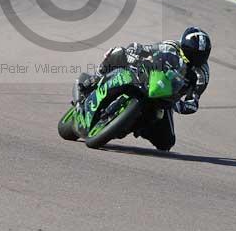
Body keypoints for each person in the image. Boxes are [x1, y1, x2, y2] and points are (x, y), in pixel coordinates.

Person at [78, 26, 212, 151]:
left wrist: (180, 105)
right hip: (149, 79)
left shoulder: (203, 74)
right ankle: (93, 80)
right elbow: (144, 49)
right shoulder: (170, 46)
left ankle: (140, 127)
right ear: (183, 45)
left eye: (201, 56)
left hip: (167, 98)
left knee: (166, 143)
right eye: (192, 52)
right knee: (118, 52)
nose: (196, 58)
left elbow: (194, 100)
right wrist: (133, 53)